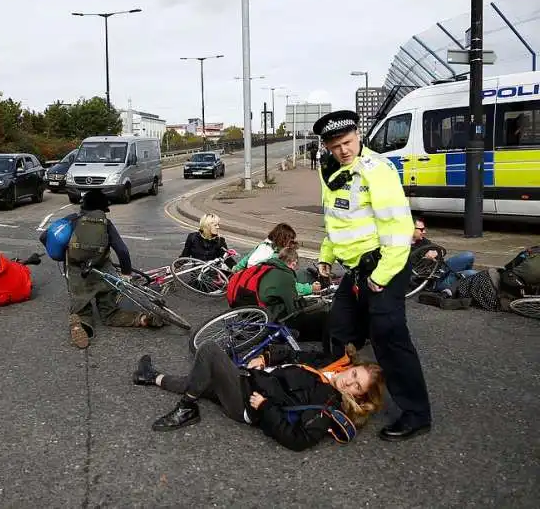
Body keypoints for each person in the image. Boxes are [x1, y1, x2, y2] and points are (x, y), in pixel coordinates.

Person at [313, 110, 432, 441]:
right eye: (335, 146)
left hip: (385, 264)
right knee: (338, 330)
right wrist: (326, 257)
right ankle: (335, 392)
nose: (344, 150)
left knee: (389, 335)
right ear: (326, 146)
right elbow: (335, 220)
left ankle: (416, 413)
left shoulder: (377, 170)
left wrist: (381, 276)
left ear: (358, 135)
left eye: (348, 142)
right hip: (355, 269)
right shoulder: (331, 171)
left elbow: (398, 228)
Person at [132, 342, 385, 452]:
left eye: (356, 386)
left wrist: (265, 409)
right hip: (250, 380)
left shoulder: (329, 404)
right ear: (351, 367)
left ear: (360, 397)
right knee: (200, 381)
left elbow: (299, 440)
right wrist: (266, 357)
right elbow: (296, 356)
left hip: (246, 401)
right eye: (353, 374)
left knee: (209, 352)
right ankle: (152, 376)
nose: (348, 381)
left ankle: (186, 409)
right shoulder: (331, 368)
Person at [39, 189, 162, 349]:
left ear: (83, 205)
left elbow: (44, 237)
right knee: (110, 313)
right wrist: (125, 273)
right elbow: (122, 250)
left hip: (78, 274)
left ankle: (79, 324)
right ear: (103, 209)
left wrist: (63, 256)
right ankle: (142, 319)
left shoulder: (72, 220)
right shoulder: (106, 224)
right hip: (104, 273)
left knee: (82, 309)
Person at [227, 247, 328, 345]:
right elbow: (292, 308)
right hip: (257, 308)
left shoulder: (264, 265)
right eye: (295, 266)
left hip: (238, 301)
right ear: (293, 262)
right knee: (294, 315)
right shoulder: (285, 276)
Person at [232, 223, 321, 296]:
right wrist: (310, 288)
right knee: (302, 274)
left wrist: (235, 269)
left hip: (246, 285)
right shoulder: (275, 258)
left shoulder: (263, 245)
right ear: (283, 240)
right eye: (291, 240)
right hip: (263, 291)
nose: (291, 243)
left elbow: (245, 260)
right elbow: (286, 283)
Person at [411, 217, 476, 293]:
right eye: (421, 229)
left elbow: (441, 250)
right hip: (434, 281)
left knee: (468, 255)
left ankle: (459, 283)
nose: (424, 232)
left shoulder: (422, 240)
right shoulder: (402, 248)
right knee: (472, 274)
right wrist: (425, 257)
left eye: (424, 229)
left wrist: (436, 252)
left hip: (442, 269)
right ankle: (457, 285)